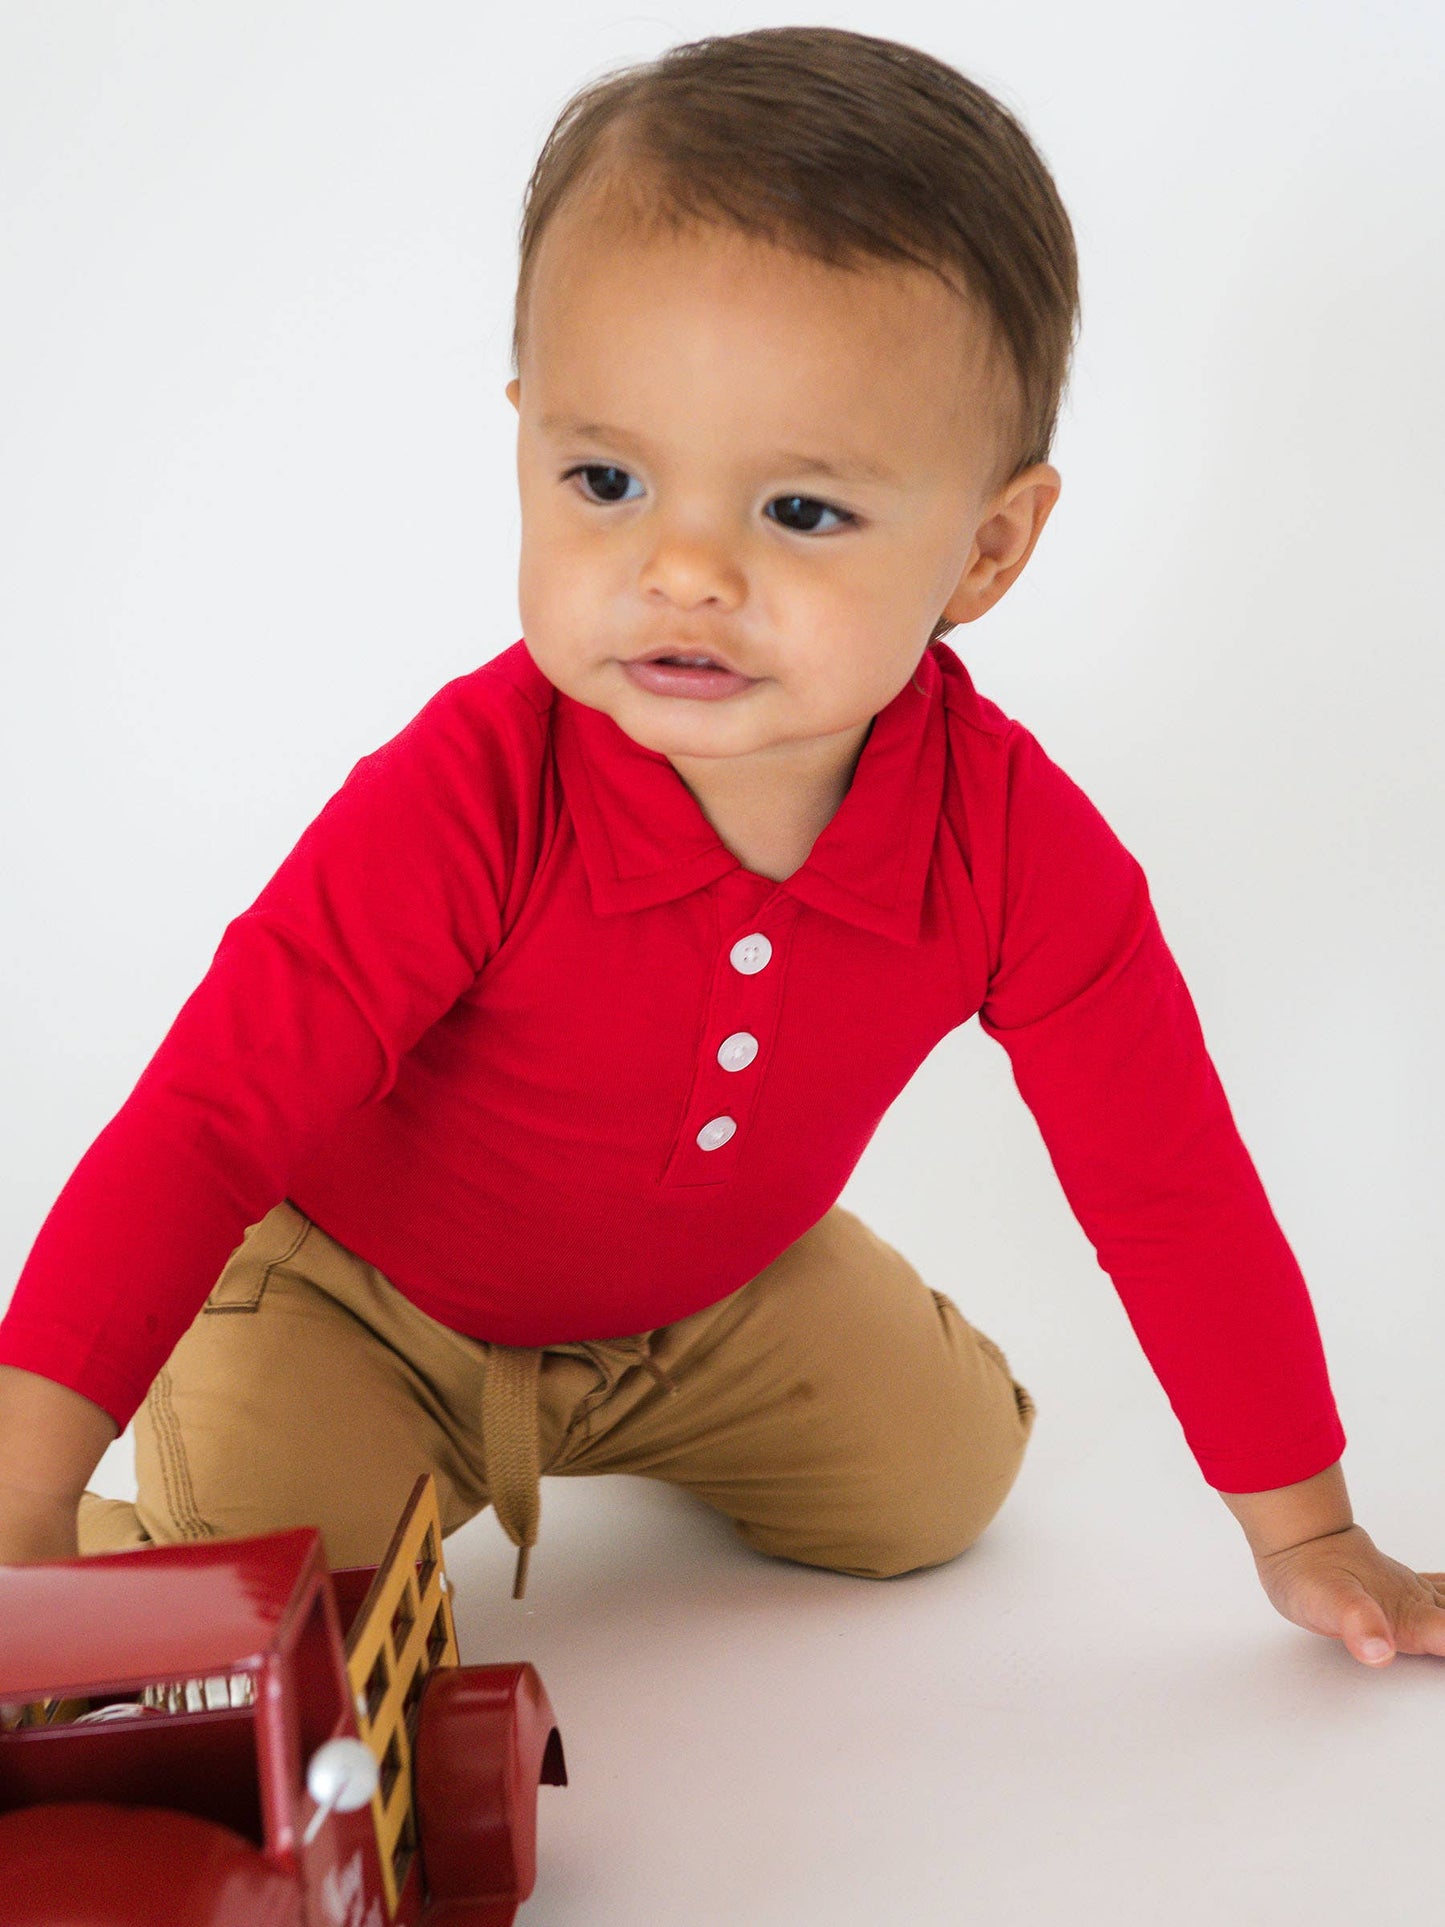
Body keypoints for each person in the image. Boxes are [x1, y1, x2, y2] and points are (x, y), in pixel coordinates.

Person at [2, 25, 1441, 1666]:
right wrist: (22, 1495)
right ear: (524, 436)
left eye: (799, 511)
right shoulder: (472, 791)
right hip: (362, 1300)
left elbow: (1167, 1181)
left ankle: (608, 1409)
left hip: (698, 1306)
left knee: (937, 1489)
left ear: (986, 548)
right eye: (606, 479)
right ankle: (154, 1508)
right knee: (292, 1622)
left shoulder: (1016, 847)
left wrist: (1306, 1526)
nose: (681, 569)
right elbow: (205, 1118)